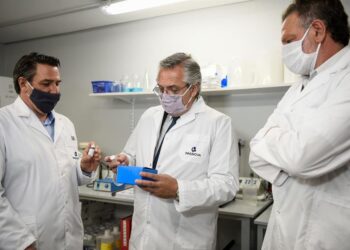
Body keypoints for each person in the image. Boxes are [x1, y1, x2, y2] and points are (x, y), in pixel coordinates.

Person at [106, 52, 239, 250]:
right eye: (161, 89)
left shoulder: (218, 123)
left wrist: (179, 189)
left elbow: (226, 185)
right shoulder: (149, 116)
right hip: (143, 237)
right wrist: (122, 161)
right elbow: (130, 155)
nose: (165, 96)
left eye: (173, 89)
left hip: (185, 239)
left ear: (193, 89)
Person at [249, 0, 350, 249]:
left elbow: (301, 157)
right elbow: (256, 151)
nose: (284, 49)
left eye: (288, 40)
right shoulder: (300, 85)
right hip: (285, 228)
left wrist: (280, 148)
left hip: (325, 234)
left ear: (317, 30)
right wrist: (290, 162)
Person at [0, 52, 101, 250]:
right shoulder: (4, 123)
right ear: (23, 84)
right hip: (27, 238)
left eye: (57, 83)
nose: (54, 91)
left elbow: (65, 175)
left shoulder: (66, 124)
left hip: (69, 235)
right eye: (46, 84)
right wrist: (20, 241)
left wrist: (84, 169)